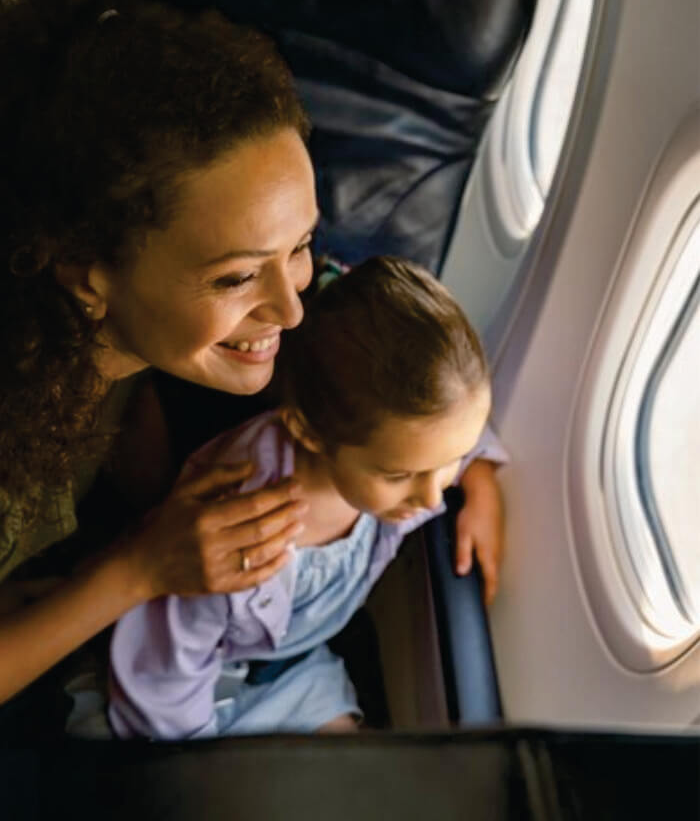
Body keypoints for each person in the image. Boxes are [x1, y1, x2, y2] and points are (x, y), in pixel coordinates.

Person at [0, 0, 318, 711]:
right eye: (237, 278)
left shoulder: (122, 337)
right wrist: (140, 569)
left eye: (300, 244)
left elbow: (346, 291)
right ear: (89, 271)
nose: (291, 306)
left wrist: (466, 447)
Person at [108, 256, 507, 739]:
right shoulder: (234, 520)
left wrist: (480, 479)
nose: (428, 497)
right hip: (187, 688)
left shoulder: (402, 459)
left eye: (450, 462)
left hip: (294, 672)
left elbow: (449, 436)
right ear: (308, 431)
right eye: (400, 473)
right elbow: (163, 662)